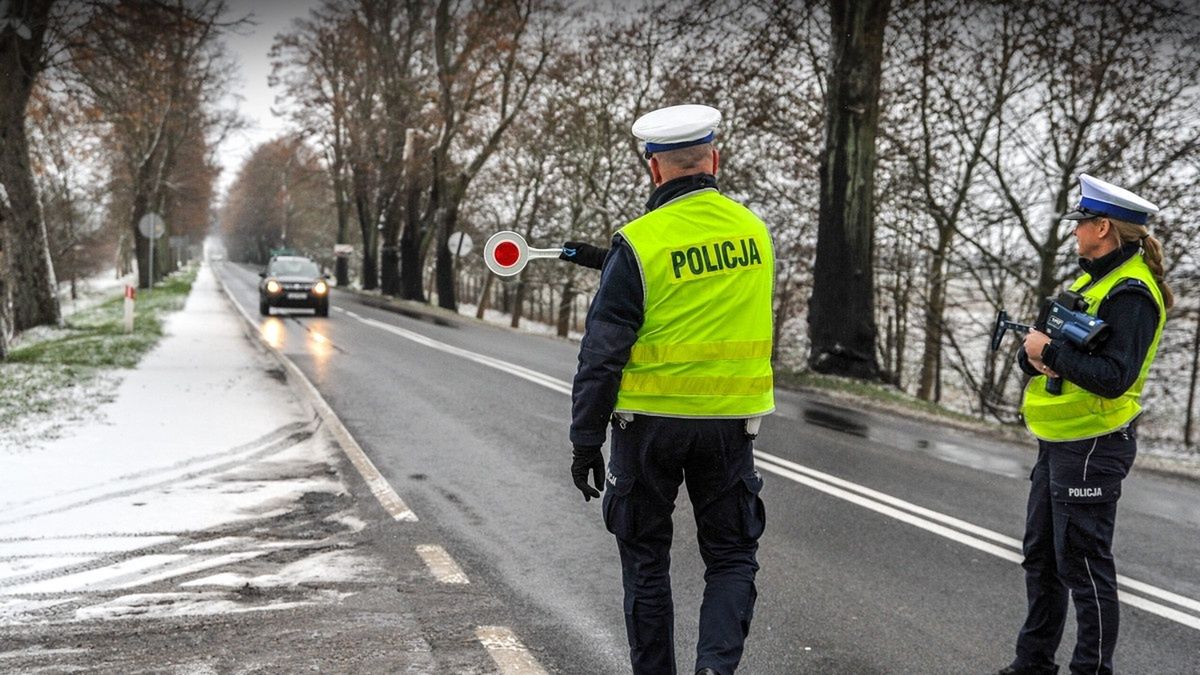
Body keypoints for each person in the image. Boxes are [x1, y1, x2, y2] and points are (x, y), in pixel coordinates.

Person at [569, 104, 774, 675]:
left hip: (648, 428)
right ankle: (714, 669)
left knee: (645, 562)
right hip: (730, 425)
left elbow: (602, 354)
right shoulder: (755, 233)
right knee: (731, 557)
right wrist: (606, 261)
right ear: (715, 159)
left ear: (654, 169)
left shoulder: (639, 243)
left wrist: (585, 441)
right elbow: (701, 282)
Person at [996, 174, 1172, 675]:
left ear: (1103, 227)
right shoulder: (1087, 282)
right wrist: (1034, 356)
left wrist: (1049, 352)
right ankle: (1032, 663)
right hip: (1058, 442)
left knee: (1084, 568)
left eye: (1081, 223)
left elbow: (1114, 377)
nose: (1074, 231)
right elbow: (1043, 351)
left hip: (1094, 445)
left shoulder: (1132, 293)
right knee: (1042, 559)